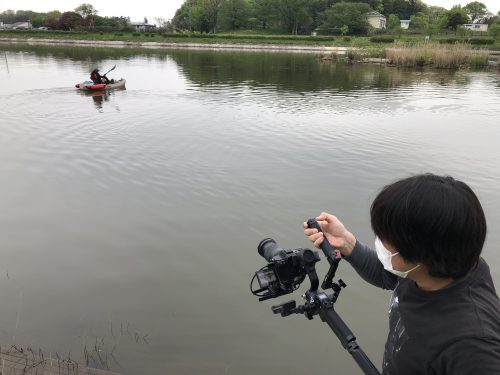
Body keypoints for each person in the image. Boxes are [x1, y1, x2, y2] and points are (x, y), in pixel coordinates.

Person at [303, 173, 500, 375]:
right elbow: (386, 275)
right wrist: (347, 244)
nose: (380, 242)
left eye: (386, 238)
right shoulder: (445, 266)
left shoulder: (473, 347)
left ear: (422, 255)